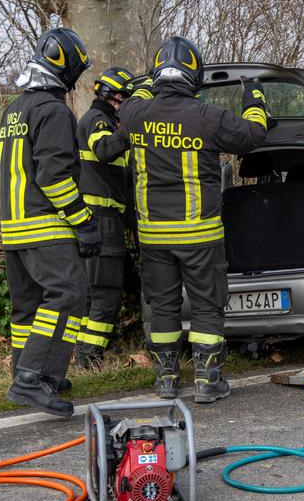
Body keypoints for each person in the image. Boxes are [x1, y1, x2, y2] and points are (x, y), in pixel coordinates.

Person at [92, 36, 268, 403]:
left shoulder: (135, 114)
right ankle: (207, 380)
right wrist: (254, 97)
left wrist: (142, 84)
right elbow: (253, 134)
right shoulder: (207, 117)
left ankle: (167, 379)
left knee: (164, 305)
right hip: (199, 233)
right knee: (206, 304)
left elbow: (136, 98)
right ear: (194, 74)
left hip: (154, 235)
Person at [0, 27, 98, 417]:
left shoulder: (14, 110)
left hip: (14, 229)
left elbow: (0, 170)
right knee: (69, 295)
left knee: (28, 307)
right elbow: (54, 177)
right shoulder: (53, 111)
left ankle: (28, 373)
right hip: (46, 227)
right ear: (66, 68)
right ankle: (33, 377)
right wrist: (83, 222)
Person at [74, 67, 135, 369]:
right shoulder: (99, 121)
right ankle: (89, 357)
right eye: (126, 98)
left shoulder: (104, 120)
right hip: (102, 219)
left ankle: (85, 353)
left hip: (103, 219)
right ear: (114, 96)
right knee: (106, 294)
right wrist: (130, 130)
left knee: (94, 293)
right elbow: (104, 150)